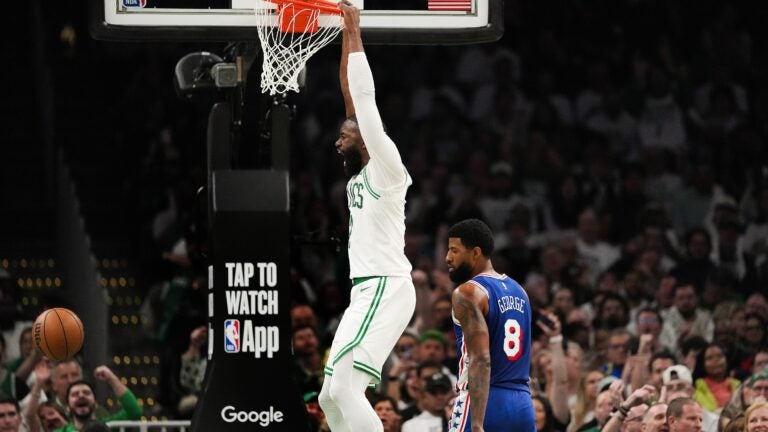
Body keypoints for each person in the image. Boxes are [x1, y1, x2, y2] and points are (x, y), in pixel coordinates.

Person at [318, 2, 416, 431]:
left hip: (385, 285)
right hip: (366, 289)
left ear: (367, 137)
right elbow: (350, 92)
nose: (339, 135)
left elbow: (363, 98)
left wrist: (356, 28)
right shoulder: (360, 173)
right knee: (329, 395)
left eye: (347, 132)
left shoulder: (386, 167)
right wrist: (345, 33)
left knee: (345, 391)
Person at [444, 219, 535, 431]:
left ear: (475, 252)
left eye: (454, 250)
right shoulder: (520, 291)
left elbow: (482, 359)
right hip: (522, 403)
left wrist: (477, 423)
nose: (448, 257)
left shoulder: (468, 292)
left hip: (484, 401)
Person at [53, 366, 142, 432]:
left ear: (95, 403)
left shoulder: (109, 426)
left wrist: (111, 378)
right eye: (75, 394)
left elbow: (134, 412)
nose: (81, 396)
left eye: (86, 392)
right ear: (67, 406)